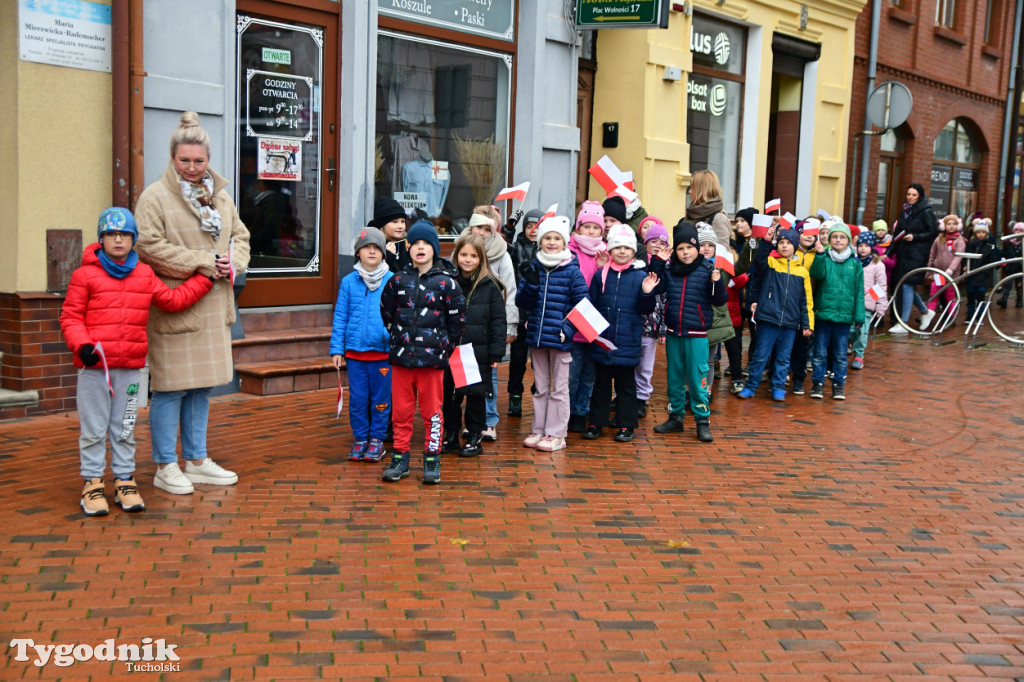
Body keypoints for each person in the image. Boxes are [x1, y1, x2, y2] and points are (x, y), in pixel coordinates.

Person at [61, 208, 214, 516]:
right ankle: (92, 483)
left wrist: (205, 278)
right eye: (111, 234)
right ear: (101, 238)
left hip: (132, 370)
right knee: (93, 429)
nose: (118, 240)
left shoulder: (144, 274)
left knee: (125, 427)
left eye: (125, 235)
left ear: (133, 240)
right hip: (95, 369)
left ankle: (124, 480)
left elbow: (172, 301)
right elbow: (71, 316)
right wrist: (82, 344)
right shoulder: (84, 275)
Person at [135, 111, 250, 495]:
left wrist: (233, 264)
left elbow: (240, 236)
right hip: (178, 307)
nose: (191, 167)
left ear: (208, 160)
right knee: (170, 389)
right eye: (184, 160)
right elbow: (148, 246)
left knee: (202, 387)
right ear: (172, 158)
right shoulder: (153, 196)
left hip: (215, 306)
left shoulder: (221, 195)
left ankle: (197, 459)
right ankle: (165, 464)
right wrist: (202, 262)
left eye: (198, 161)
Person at [379, 220, 466, 484]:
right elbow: (387, 312)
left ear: (435, 249)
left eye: (425, 244)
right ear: (408, 248)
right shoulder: (397, 281)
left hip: (432, 363)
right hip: (403, 361)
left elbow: (457, 322)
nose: (420, 248)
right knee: (402, 414)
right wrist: (399, 339)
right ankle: (400, 459)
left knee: (432, 412)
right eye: (415, 243)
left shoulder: (447, 283)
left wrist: (443, 347)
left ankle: (431, 459)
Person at [515, 215, 589, 453]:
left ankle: (556, 433)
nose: (552, 242)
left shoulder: (571, 270)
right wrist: (532, 284)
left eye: (557, 238)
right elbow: (522, 301)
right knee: (541, 387)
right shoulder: (535, 266)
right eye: (547, 237)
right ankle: (539, 429)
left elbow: (582, 306)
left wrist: (566, 329)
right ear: (541, 241)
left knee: (559, 388)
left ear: (565, 242)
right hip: (537, 336)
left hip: (560, 339)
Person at [649, 221, 728, 442]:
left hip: (697, 336)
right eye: (681, 248)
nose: (685, 252)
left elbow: (719, 299)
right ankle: (676, 418)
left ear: (697, 248)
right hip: (674, 332)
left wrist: (718, 282)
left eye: (690, 247)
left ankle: (702, 422)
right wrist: (657, 263)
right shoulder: (670, 268)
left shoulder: (707, 270)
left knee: (698, 379)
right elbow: (658, 286)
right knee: (674, 378)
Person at [583, 225, 659, 442]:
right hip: (604, 340)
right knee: (601, 385)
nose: (622, 252)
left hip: (628, 342)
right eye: (618, 247)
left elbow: (646, 310)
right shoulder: (601, 276)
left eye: (627, 248)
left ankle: (626, 425)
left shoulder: (640, 276)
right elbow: (593, 304)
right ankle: (596, 422)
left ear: (633, 252)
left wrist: (647, 292)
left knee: (626, 387)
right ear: (610, 250)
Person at [330, 227, 393, 463]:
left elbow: (397, 316)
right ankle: (360, 439)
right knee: (358, 399)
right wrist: (337, 348)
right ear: (358, 252)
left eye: (377, 247)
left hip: (382, 354)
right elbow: (341, 316)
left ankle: (377, 439)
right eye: (367, 247)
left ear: (383, 253)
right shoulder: (349, 282)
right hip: (355, 354)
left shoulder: (392, 280)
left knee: (381, 399)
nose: (372, 251)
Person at [442, 234, 507, 457]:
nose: (467, 260)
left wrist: (496, 352)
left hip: (476, 351)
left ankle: (474, 436)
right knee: (450, 396)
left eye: (473, 256)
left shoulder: (490, 286)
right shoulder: (448, 282)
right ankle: (451, 434)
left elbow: (499, 321)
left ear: (481, 259)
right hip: (452, 349)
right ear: (456, 255)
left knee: (475, 396)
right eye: (463, 254)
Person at [736, 227, 813, 401]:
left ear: (795, 246)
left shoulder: (802, 272)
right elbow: (759, 261)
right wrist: (766, 241)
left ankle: (778, 387)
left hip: (790, 323)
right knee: (760, 356)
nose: (784, 246)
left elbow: (806, 301)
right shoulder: (770, 264)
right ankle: (750, 386)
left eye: (788, 243)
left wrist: (808, 324)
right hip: (768, 319)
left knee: (784, 358)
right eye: (781, 243)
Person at [467, 208, 519, 442]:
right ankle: (471, 421)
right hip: (468, 325)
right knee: (467, 374)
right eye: (479, 227)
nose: (483, 233)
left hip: (491, 325)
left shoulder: (502, 254)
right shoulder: (463, 248)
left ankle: (489, 421)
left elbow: (510, 289)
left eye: (488, 229)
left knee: (490, 374)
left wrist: (511, 325)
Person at [809, 223, 864, 400]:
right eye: (834, 237)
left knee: (840, 354)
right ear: (829, 240)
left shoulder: (855, 264)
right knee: (819, 353)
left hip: (844, 317)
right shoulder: (824, 258)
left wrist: (859, 317)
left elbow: (859, 292)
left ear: (848, 240)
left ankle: (838, 385)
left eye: (842, 237)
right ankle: (817, 384)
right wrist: (818, 255)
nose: (838, 240)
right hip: (824, 314)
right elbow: (817, 274)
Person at [567, 201, 608, 433]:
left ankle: (582, 412)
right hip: (574, 322)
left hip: (594, 325)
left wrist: (603, 268)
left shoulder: (605, 253)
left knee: (589, 375)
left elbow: (605, 289)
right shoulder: (570, 252)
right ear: (578, 228)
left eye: (596, 228)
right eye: (586, 227)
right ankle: (569, 411)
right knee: (572, 373)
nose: (591, 232)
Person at [888, 184, 939, 334]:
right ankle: (925, 311)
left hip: (918, 254)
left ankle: (903, 323)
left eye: (914, 195)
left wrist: (915, 237)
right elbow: (897, 234)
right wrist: (888, 252)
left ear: (920, 196)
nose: (910, 197)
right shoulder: (904, 211)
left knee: (907, 285)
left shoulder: (926, 211)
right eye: (909, 194)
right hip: (904, 253)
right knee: (905, 285)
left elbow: (932, 232)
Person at [507, 208, 543, 416]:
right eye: (529, 226)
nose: (533, 230)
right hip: (521, 313)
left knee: (539, 360)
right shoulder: (517, 247)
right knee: (518, 359)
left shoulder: (547, 247)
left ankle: (539, 390)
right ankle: (515, 394)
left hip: (539, 314)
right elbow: (505, 246)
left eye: (537, 226)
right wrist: (508, 229)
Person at [696, 223, 736, 399]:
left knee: (709, 360)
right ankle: (692, 390)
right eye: (702, 245)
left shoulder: (720, 268)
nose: (706, 248)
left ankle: (707, 390)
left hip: (714, 320)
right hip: (695, 317)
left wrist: (717, 280)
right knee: (693, 359)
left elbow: (721, 296)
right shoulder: (692, 267)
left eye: (710, 245)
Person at [636, 222, 669, 415]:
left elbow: (664, 295)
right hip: (635, 322)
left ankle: (642, 397)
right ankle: (624, 395)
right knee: (629, 362)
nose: (657, 245)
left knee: (645, 365)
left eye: (662, 242)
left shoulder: (667, 266)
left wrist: (663, 328)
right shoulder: (639, 262)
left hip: (652, 324)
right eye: (653, 241)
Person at [922, 214, 966, 329]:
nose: (951, 226)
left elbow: (958, 257)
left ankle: (950, 317)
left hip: (951, 274)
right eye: (949, 224)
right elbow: (932, 254)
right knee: (934, 293)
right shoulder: (939, 239)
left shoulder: (960, 241)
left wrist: (951, 269)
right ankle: (929, 315)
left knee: (949, 296)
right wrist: (929, 270)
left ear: (958, 225)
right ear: (944, 226)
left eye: (954, 224)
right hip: (938, 272)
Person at [851, 232, 887, 370]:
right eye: (860, 245)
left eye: (866, 245)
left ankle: (859, 354)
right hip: (851, 303)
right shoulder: (853, 261)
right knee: (850, 330)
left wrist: (880, 305)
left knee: (862, 331)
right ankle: (850, 346)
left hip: (866, 304)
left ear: (871, 247)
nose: (863, 248)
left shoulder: (877, 265)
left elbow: (880, 286)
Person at [963, 219, 1001, 319]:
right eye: (978, 232)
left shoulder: (989, 246)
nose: (980, 234)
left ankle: (979, 314)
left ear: (986, 233)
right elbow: (965, 257)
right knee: (970, 295)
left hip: (983, 274)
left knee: (980, 295)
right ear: (975, 233)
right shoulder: (971, 244)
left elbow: (992, 259)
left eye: (983, 232)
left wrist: (986, 271)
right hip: (971, 274)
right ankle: (970, 314)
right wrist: (965, 266)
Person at [685, 169, 732, 246]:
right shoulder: (692, 214)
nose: (689, 191)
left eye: (692, 188)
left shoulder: (718, 219)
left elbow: (722, 252)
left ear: (702, 190)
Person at [370, 196, 410, 273]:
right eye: (395, 222)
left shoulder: (406, 244)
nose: (400, 226)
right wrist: (387, 256)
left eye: (402, 221)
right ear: (383, 224)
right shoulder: (371, 244)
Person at [997, 222, 1024, 308]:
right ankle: (1004, 299)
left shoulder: (1022, 244)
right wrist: (1003, 259)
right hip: (1010, 267)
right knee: (1008, 284)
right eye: (1016, 230)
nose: (1018, 232)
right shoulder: (1009, 243)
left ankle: (1019, 299)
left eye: (1021, 230)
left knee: (1019, 285)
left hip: (1020, 268)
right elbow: (1005, 253)